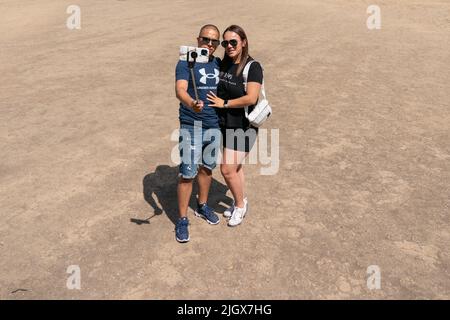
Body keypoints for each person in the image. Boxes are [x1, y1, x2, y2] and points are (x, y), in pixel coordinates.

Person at [207, 25, 263, 227]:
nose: (229, 46)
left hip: (243, 126)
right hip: (226, 123)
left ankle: (240, 205)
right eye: (226, 42)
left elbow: (251, 97)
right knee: (235, 168)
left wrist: (225, 104)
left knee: (227, 169)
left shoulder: (252, 66)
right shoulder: (225, 63)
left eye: (233, 42)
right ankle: (241, 200)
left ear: (243, 42)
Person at [174, 24, 222, 242]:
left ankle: (202, 205)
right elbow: (180, 90)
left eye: (215, 41)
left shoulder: (219, 63)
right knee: (187, 174)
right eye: (206, 39)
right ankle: (182, 219)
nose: (210, 45)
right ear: (198, 39)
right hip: (191, 124)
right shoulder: (186, 62)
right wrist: (192, 102)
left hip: (214, 125)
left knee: (207, 168)